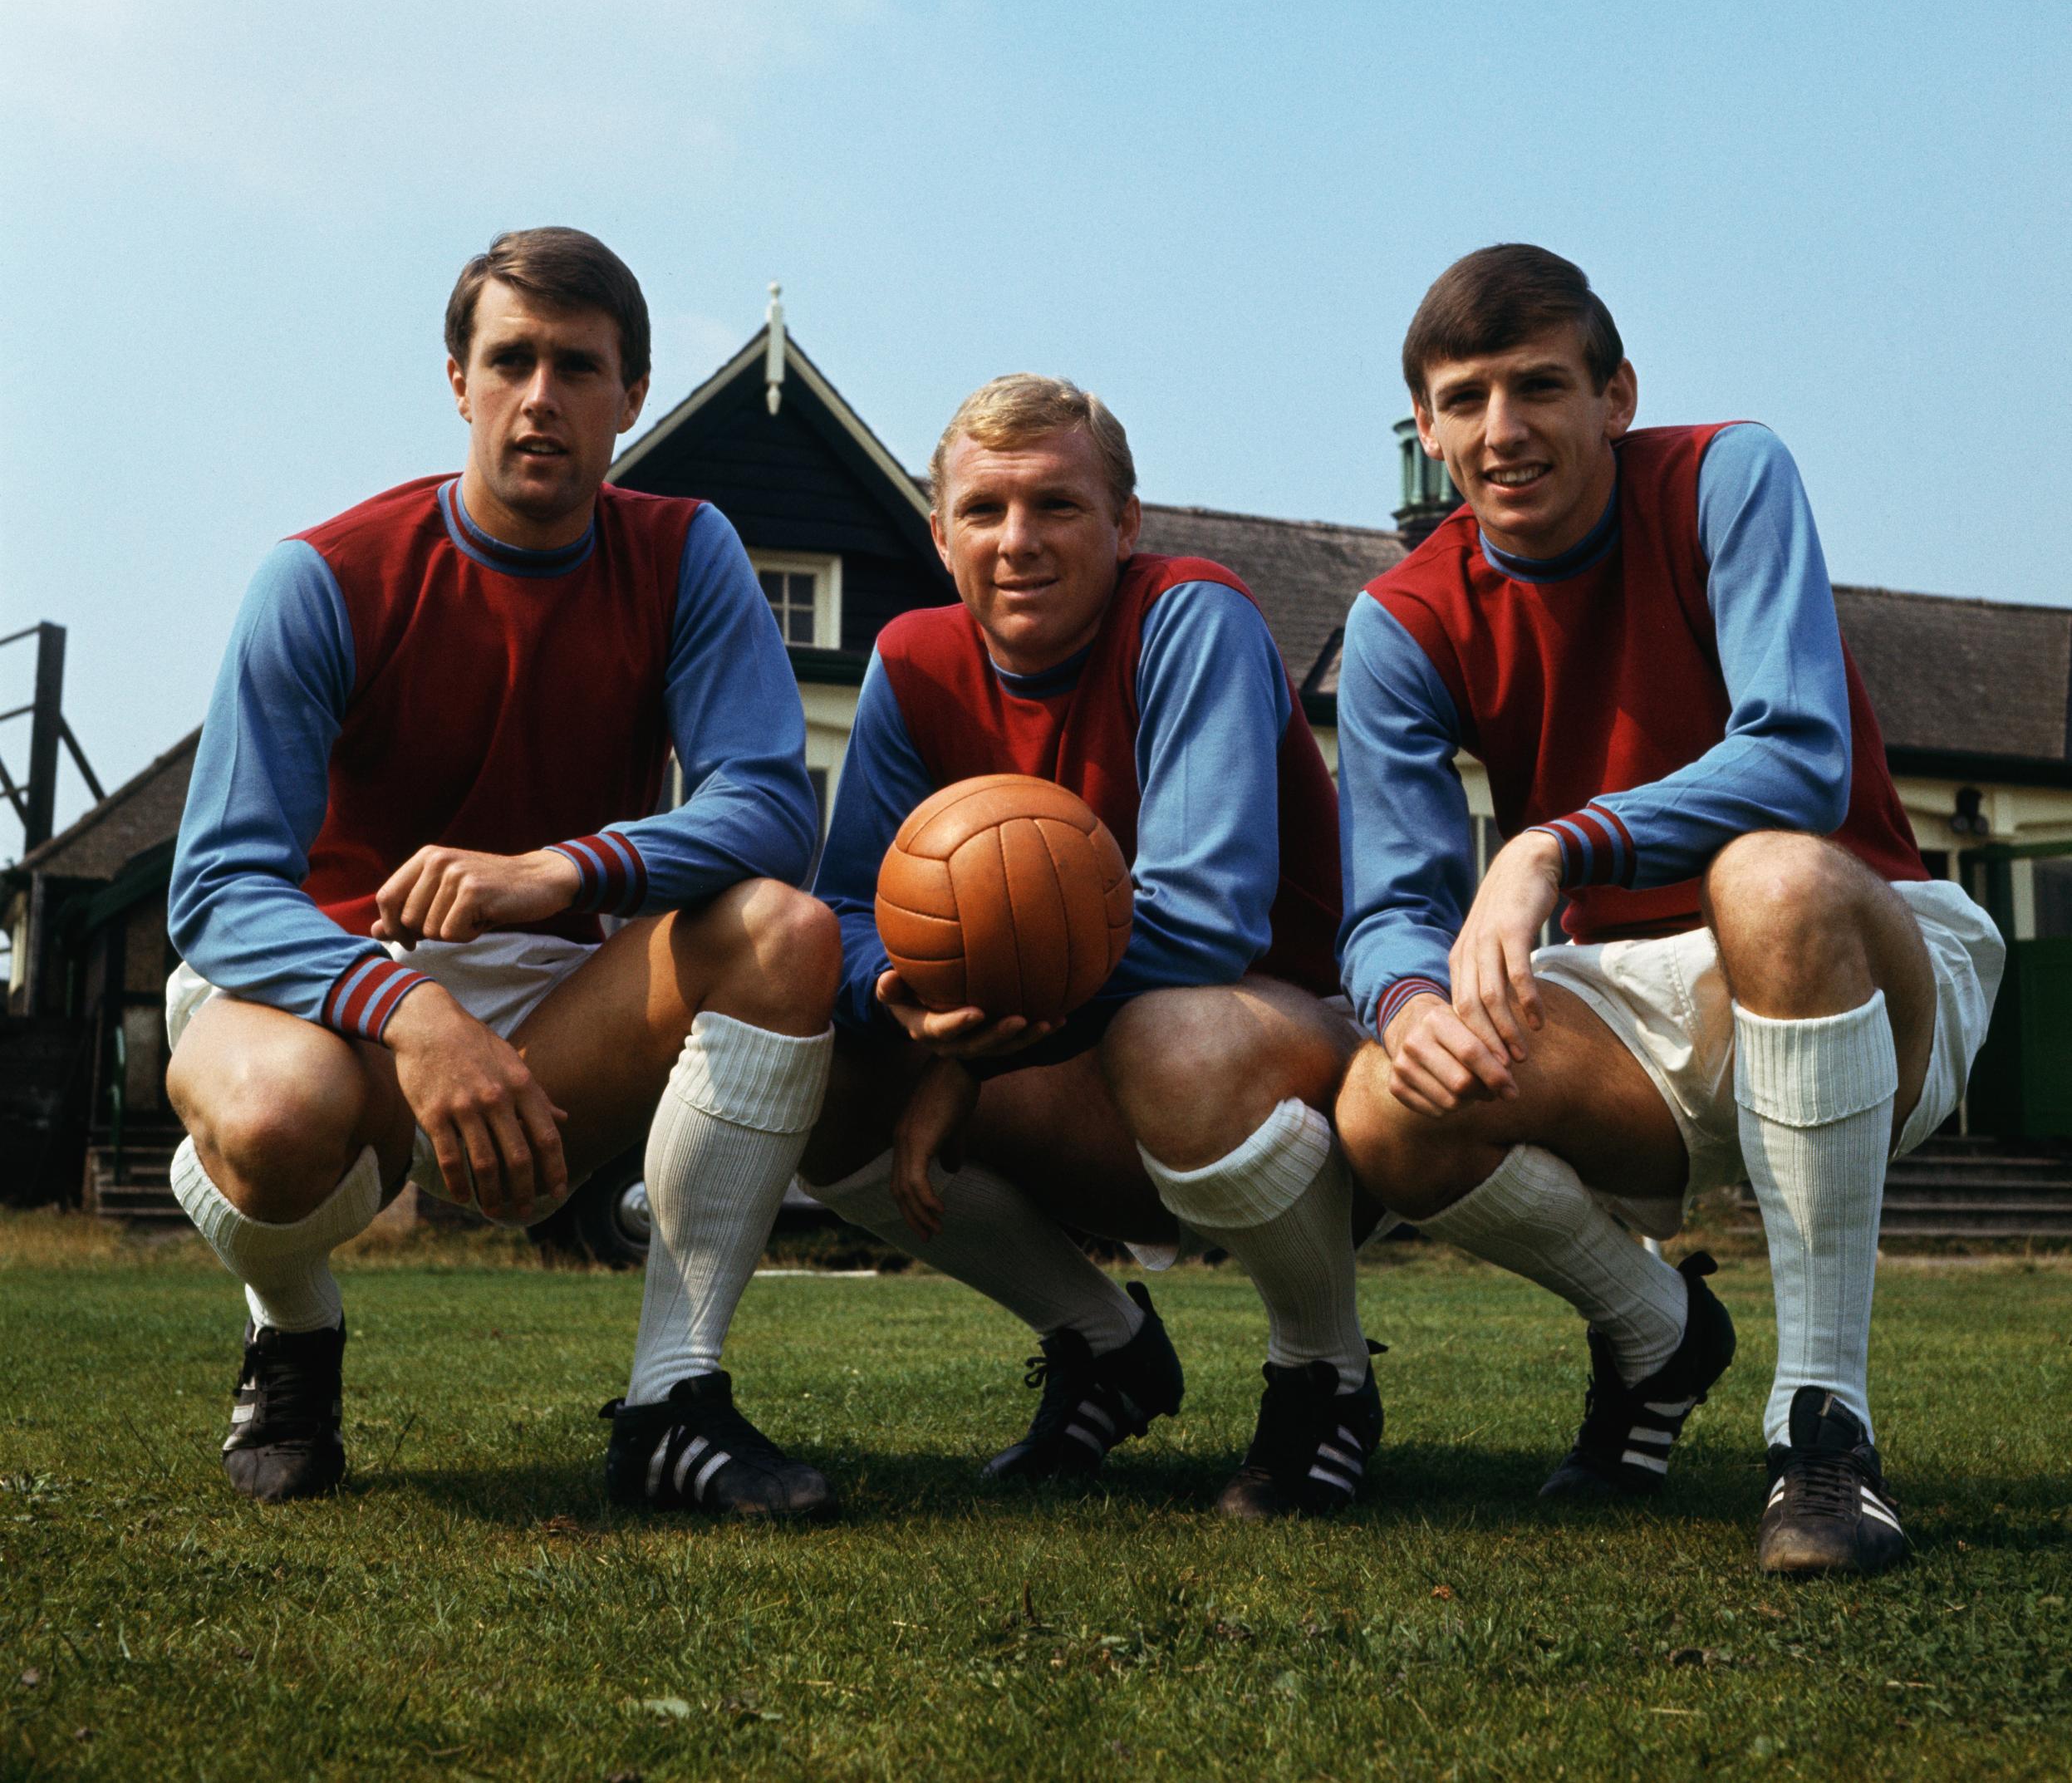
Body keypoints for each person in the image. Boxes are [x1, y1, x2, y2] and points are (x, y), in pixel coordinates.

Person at [1333, 243, 2003, 1574]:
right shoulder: (1397, 623)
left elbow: (1800, 755)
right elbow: (1388, 907)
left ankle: (1824, 1435)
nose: (1502, 431)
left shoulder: (1722, 476)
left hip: (1867, 949)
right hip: (1636, 999)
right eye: (1464, 400)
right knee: (1382, 1102)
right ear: (1426, 427)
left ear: (1614, 395)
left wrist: (1549, 849)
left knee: (1772, 873)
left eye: (1538, 387)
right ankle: (1656, 1333)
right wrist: (1408, 1001)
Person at [164, 228, 843, 1516]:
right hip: (321, 990)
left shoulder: (688, 551)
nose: (543, 397)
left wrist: (559, 871)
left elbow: (765, 803)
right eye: (512, 359)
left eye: (579, 367)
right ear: (457, 382)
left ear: (630, 397)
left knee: (784, 932)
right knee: (270, 1125)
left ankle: (671, 1404)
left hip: (556, 990)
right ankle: (291, 1326)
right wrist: (415, 1014)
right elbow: (217, 889)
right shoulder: (319, 578)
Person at [802, 375, 1380, 1517]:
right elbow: (848, 914)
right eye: (983, 511)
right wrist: (905, 1004)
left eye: (1057, 506)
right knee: (812, 1063)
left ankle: (1326, 1375)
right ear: (938, 535)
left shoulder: (1190, 615)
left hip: (1296, 1063)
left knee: (1179, 1036)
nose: (1017, 542)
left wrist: (968, 1063)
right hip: (1082, 1058)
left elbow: (1205, 923)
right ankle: (1102, 1341)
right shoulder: (910, 663)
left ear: (1124, 526)